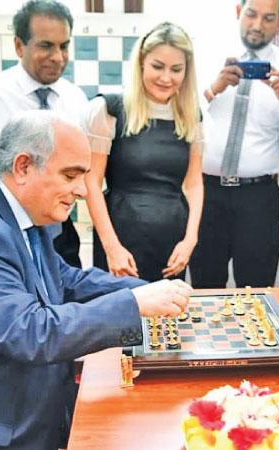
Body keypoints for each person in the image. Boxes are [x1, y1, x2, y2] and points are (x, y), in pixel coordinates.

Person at [0, 112, 192, 449]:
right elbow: (30, 332)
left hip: (19, 405)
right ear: (23, 167)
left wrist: (149, 293)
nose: (81, 191)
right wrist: (135, 305)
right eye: (70, 176)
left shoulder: (18, 214)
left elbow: (64, 281)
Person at [0, 0, 86, 268]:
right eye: (46, 45)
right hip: (2, 235)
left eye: (64, 46)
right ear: (20, 46)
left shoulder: (75, 99)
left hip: (58, 236)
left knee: (68, 301)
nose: (57, 57)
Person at [191, 0, 279, 288]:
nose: (258, 25)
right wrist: (212, 90)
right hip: (205, 194)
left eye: (269, 18)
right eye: (251, 15)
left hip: (259, 199)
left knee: (256, 290)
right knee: (204, 286)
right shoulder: (205, 58)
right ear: (237, 12)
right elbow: (182, 125)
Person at [85, 22, 203, 282]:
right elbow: (91, 183)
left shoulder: (192, 116)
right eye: (157, 66)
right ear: (141, 63)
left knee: (168, 318)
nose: (166, 78)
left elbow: (194, 183)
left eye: (176, 69)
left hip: (172, 241)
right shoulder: (109, 110)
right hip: (120, 237)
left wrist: (190, 240)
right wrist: (111, 247)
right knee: (120, 317)